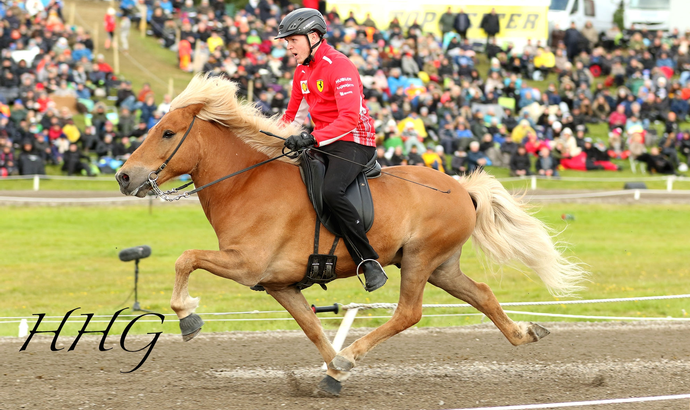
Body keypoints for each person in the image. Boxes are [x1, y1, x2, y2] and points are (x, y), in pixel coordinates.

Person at [277, 8, 387, 292]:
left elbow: (350, 118)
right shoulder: (302, 70)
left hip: (355, 140)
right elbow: (292, 117)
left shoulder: (339, 65)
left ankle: (368, 260)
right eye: (286, 40)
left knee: (330, 191)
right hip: (324, 140)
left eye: (292, 39)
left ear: (313, 37)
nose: (288, 46)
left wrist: (312, 138)